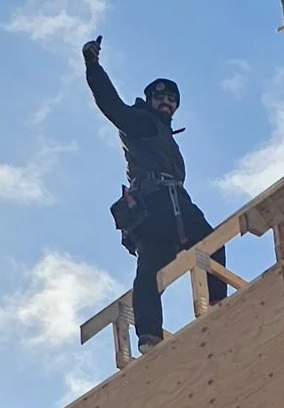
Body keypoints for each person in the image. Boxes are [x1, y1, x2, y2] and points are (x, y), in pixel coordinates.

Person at [83, 34, 229, 353]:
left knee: (212, 242)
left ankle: (218, 307)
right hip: (153, 205)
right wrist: (93, 66)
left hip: (176, 202)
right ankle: (149, 337)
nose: (167, 102)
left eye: (172, 99)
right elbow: (110, 104)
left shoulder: (163, 132)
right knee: (149, 269)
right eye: (161, 97)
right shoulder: (140, 123)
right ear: (149, 99)